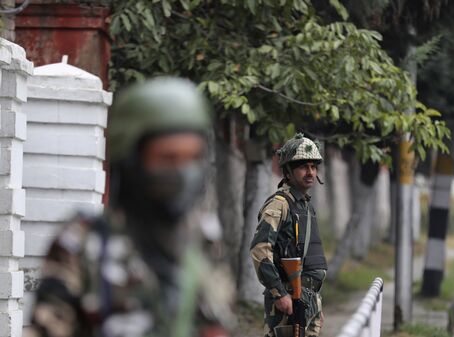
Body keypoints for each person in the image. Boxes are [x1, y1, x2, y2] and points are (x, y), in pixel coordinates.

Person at [25, 77, 234, 337]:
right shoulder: (84, 243)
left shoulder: (202, 238)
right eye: (167, 158)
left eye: (193, 158)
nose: (183, 173)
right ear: (132, 159)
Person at [250, 133, 328, 337]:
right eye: (303, 167)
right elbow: (260, 250)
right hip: (288, 301)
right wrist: (279, 293)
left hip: (308, 300)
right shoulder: (280, 204)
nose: (310, 172)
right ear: (287, 172)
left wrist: (316, 304)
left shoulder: (305, 205)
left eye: (313, 166)